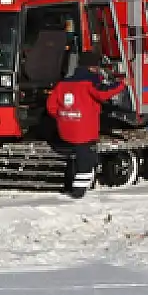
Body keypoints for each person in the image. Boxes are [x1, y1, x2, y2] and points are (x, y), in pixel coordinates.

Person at [46, 51, 126, 198]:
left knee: (75, 157)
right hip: (84, 129)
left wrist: (62, 115)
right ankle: (78, 192)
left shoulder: (63, 83)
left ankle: (70, 183)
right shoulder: (90, 83)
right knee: (86, 160)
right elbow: (103, 93)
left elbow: (51, 105)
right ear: (93, 67)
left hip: (66, 127)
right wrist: (122, 84)